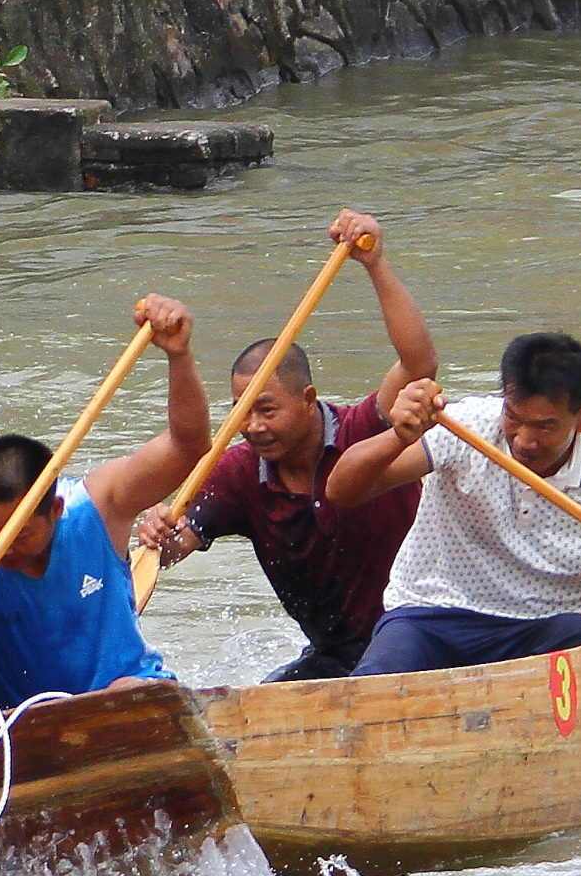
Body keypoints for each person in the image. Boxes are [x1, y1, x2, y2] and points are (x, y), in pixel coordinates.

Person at [138, 211, 441, 680]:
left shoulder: (364, 426)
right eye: (240, 411)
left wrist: (375, 264)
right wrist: (159, 536)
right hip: (338, 652)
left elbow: (419, 364)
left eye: (266, 409)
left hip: (422, 630)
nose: (252, 426)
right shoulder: (237, 473)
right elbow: (179, 544)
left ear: (308, 401)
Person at [0, 294, 207, 709]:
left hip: (124, 692)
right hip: (19, 723)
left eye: (20, 534)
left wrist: (179, 357)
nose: (1, 546)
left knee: (132, 699)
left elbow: (189, 447)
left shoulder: (98, 505)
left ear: (56, 512)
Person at [323, 330, 581, 675]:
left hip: (544, 627)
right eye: (514, 417)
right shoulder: (466, 427)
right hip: (431, 615)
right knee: (374, 682)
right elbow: (342, 491)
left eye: (546, 426)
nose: (524, 440)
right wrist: (400, 434)